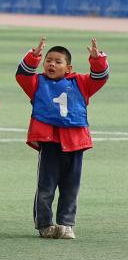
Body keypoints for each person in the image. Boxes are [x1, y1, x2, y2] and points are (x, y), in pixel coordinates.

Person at [16, 37, 108, 239]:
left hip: (75, 143)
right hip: (50, 143)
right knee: (46, 187)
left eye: (58, 61)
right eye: (48, 60)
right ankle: (45, 225)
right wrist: (33, 56)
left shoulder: (81, 83)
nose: (52, 64)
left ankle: (66, 224)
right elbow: (22, 75)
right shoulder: (37, 83)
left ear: (68, 68)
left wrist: (97, 60)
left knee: (70, 188)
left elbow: (100, 78)